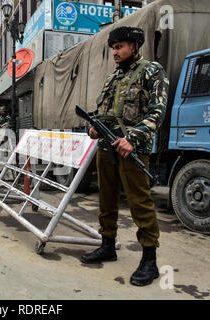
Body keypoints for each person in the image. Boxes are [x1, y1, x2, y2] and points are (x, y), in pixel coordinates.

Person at [79, 26, 169, 287]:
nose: (115, 52)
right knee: (105, 201)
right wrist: (94, 127)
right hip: (106, 148)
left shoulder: (152, 71)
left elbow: (157, 112)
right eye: (113, 48)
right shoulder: (112, 78)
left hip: (132, 149)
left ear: (134, 46)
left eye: (119, 47)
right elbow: (102, 110)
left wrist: (132, 139)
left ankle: (150, 261)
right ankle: (107, 245)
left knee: (140, 204)